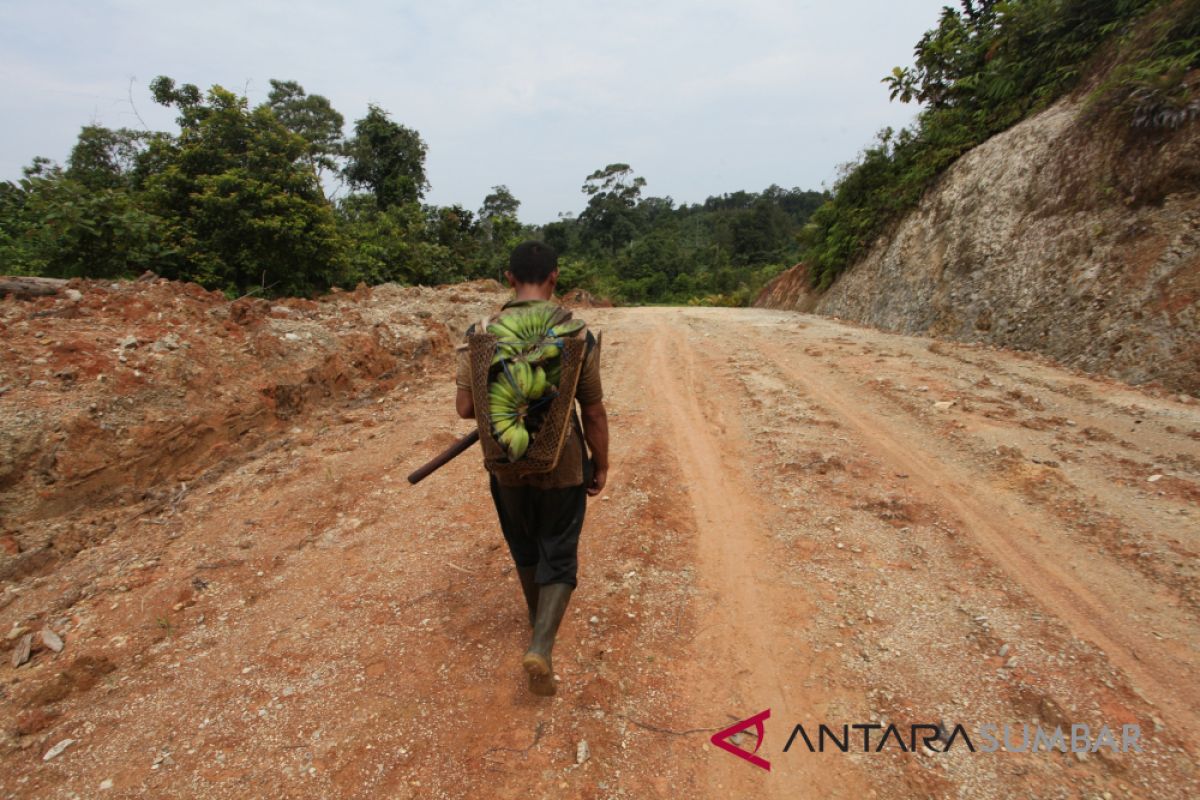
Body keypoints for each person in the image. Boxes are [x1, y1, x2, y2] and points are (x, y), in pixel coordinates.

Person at [455, 241, 609, 696]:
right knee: (558, 550)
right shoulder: (578, 333)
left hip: (504, 464)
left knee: (523, 544)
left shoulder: (480, 330)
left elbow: (465, 408)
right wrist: (601, 461)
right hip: (562, 466)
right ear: (555, 277)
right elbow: (594, 411)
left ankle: (534, 618)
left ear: (509, 279)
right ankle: (541, 644)